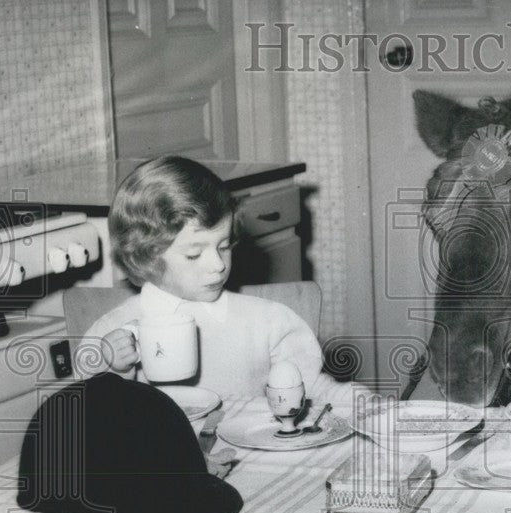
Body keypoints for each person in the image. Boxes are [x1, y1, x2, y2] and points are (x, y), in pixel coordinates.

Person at [80, 156, 332, 402]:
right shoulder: (110, 333)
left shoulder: (268, 321)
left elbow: (316, 389)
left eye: (224, 246)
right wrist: (115, 368)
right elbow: (93, 410)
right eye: (194, 254)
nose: (218, 264)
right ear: (146, 257)